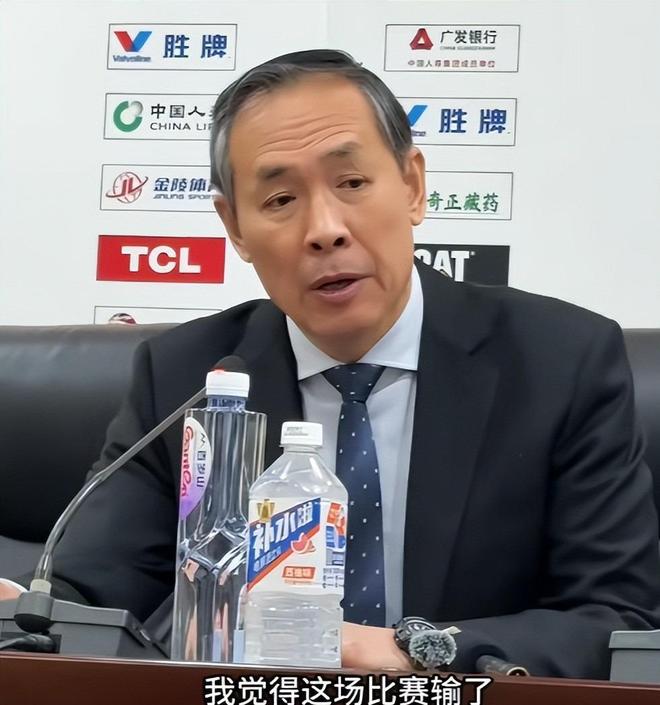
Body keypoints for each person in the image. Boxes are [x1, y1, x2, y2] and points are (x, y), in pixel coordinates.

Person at [2, 49, 659, 678]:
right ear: (235, 227)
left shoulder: (558, 363)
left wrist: (407, 651)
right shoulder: (187, 379)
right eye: (280, 200)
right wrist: (23, 612)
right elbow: (79, 600)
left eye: (352, 183)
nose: (324, 229)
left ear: (412, 186)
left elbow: (616, 620)